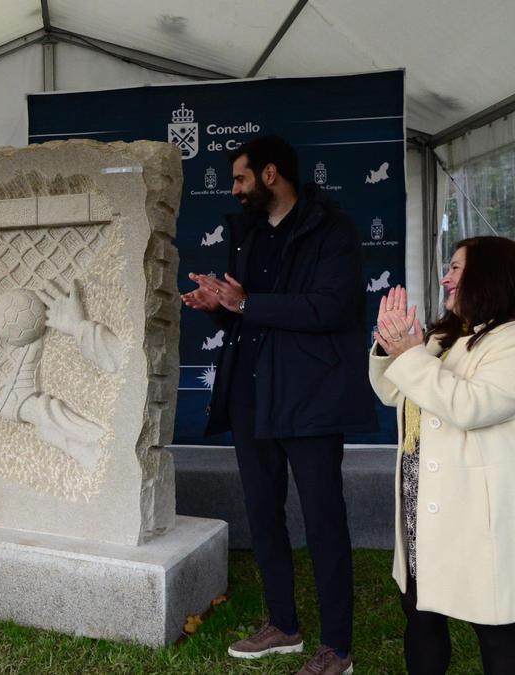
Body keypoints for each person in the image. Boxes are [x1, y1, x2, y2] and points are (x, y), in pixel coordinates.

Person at [181, 135, 375, 675]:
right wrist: (220, 306)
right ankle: (283, 626)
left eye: (241, 178)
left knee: (323, 521)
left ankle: (337, 648)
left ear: (270, 175)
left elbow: (332, 308)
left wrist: (246, 302)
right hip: (252, 394)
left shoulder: (330, 228)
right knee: (264, 515)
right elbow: (252, 313)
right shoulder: (246, 233)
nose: (235, 190)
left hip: (311, 397)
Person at [368, 237, 515, 674]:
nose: (444, 278)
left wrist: (410, 354)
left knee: (497, 632)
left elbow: (469, 406)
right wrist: (390, 347)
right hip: (424, 505)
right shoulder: (447, 336)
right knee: (421, 616)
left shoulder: (509, 341)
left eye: (455, 268)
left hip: (476, 515)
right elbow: (394, 391)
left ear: (490, 275)